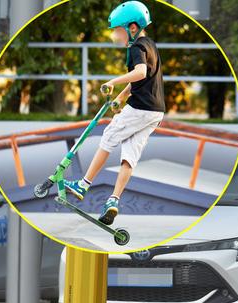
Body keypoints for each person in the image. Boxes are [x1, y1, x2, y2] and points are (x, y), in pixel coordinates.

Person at [64, 0, 165, 225]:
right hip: (155, 112)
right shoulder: (150, 45)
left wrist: (113, 81)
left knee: (109, 137)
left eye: (117, 31)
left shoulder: (136, 48)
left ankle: (84, 184)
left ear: (132, 28)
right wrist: (121, 96)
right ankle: (113, 200)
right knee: (129, 155)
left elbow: (139, 73)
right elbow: (144, 79)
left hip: (141, 108)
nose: (115, 37)